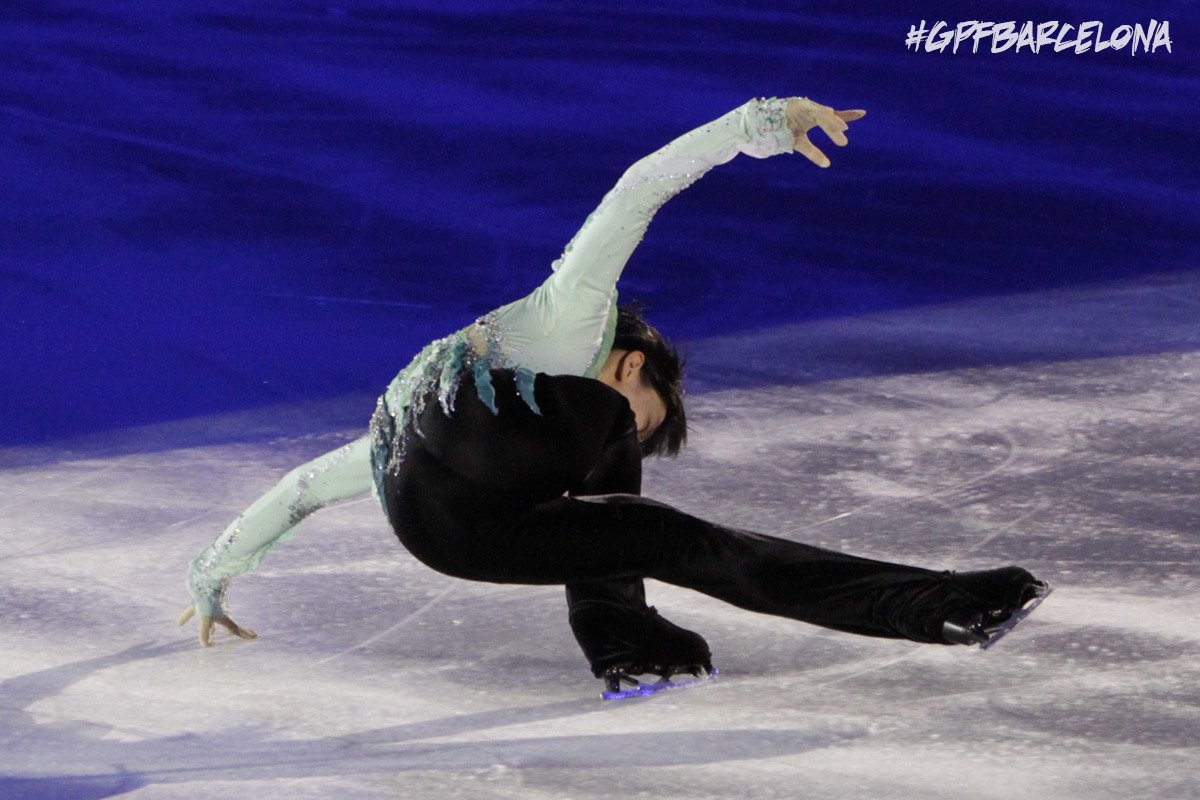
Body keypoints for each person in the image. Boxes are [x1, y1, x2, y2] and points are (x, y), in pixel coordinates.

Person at [180, 95, 1045, 690]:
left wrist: (212, 575)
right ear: (634, 365)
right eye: (646, 413)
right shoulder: (573, 319)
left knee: (619, 527)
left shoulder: (406, 438)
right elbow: (640, 187)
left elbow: (298, 492)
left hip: (443, 527)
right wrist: (764, 122)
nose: (636, 435)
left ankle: (630, 653)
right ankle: (944, 608)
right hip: (469, 446)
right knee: (651, 515)